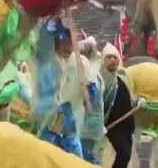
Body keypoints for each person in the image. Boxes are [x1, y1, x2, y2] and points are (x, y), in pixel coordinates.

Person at [31, 17, 96, 160]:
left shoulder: (79, 62)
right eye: (64, 42)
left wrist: (89, 95)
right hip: (44, 118)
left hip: (68, 118)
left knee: (74, 158)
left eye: (71, 43)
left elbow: (90, 90)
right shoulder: (45, 59)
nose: (68, 47)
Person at [101, 43, 139, 168]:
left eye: (115, 57)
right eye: (109, 57)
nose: (113, 60)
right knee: (124, 153)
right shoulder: (101, 78)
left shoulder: (122, 77)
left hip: (126, 123)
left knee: (126, 156)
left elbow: (130, 96)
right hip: (112, 123)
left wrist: (137, 101)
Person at [77, 36, 105, 164]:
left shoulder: (89, 71)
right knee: (88, 156)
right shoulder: (94, 69)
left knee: (86, 157)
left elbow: (89, 100)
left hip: (87, 124)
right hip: (93, 124)